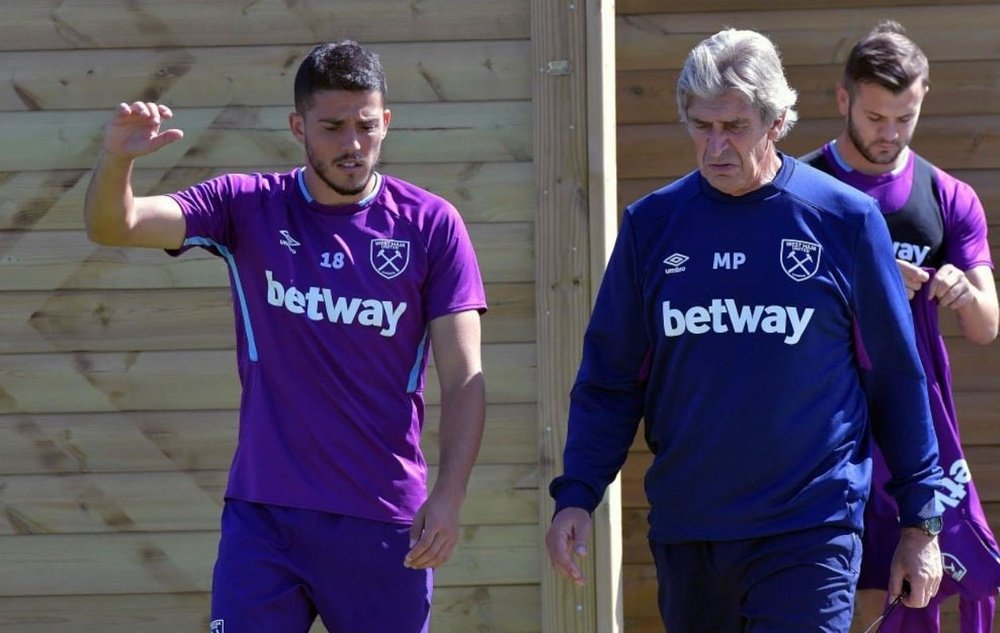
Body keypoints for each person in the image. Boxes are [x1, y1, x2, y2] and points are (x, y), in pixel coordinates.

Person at [544, 28, 945, 632]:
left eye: (734, 127)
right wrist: (577, 494)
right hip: (691, 528)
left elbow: (897, 377)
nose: (715, 147)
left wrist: (921, 522)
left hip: (810, 528)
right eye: (702, 126)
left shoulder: (844, 220)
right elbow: (610, 377)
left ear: (777, 122)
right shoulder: (652, 226)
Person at [83, 40, 487, 633]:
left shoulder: (431, 225)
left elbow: (464, 377)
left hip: (381, 519)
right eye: (332, 127)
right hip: (264, 515)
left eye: (366, 126)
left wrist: (448, 498)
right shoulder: (245, 205)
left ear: (386, 123)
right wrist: (117, 159)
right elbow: (114, 226)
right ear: (298, 126)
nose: (352, 145)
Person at [801, 21, 1000, 633]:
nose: (888, 134)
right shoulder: (802, 187)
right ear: (843, 101)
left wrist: (963, 291)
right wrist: (869, 271)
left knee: (919, 582)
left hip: (911, 426)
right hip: (820, 422)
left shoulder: (947, 195)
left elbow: (986, 326)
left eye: (904, 118)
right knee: (836, 589)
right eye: (875, 117)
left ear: (923, 100)